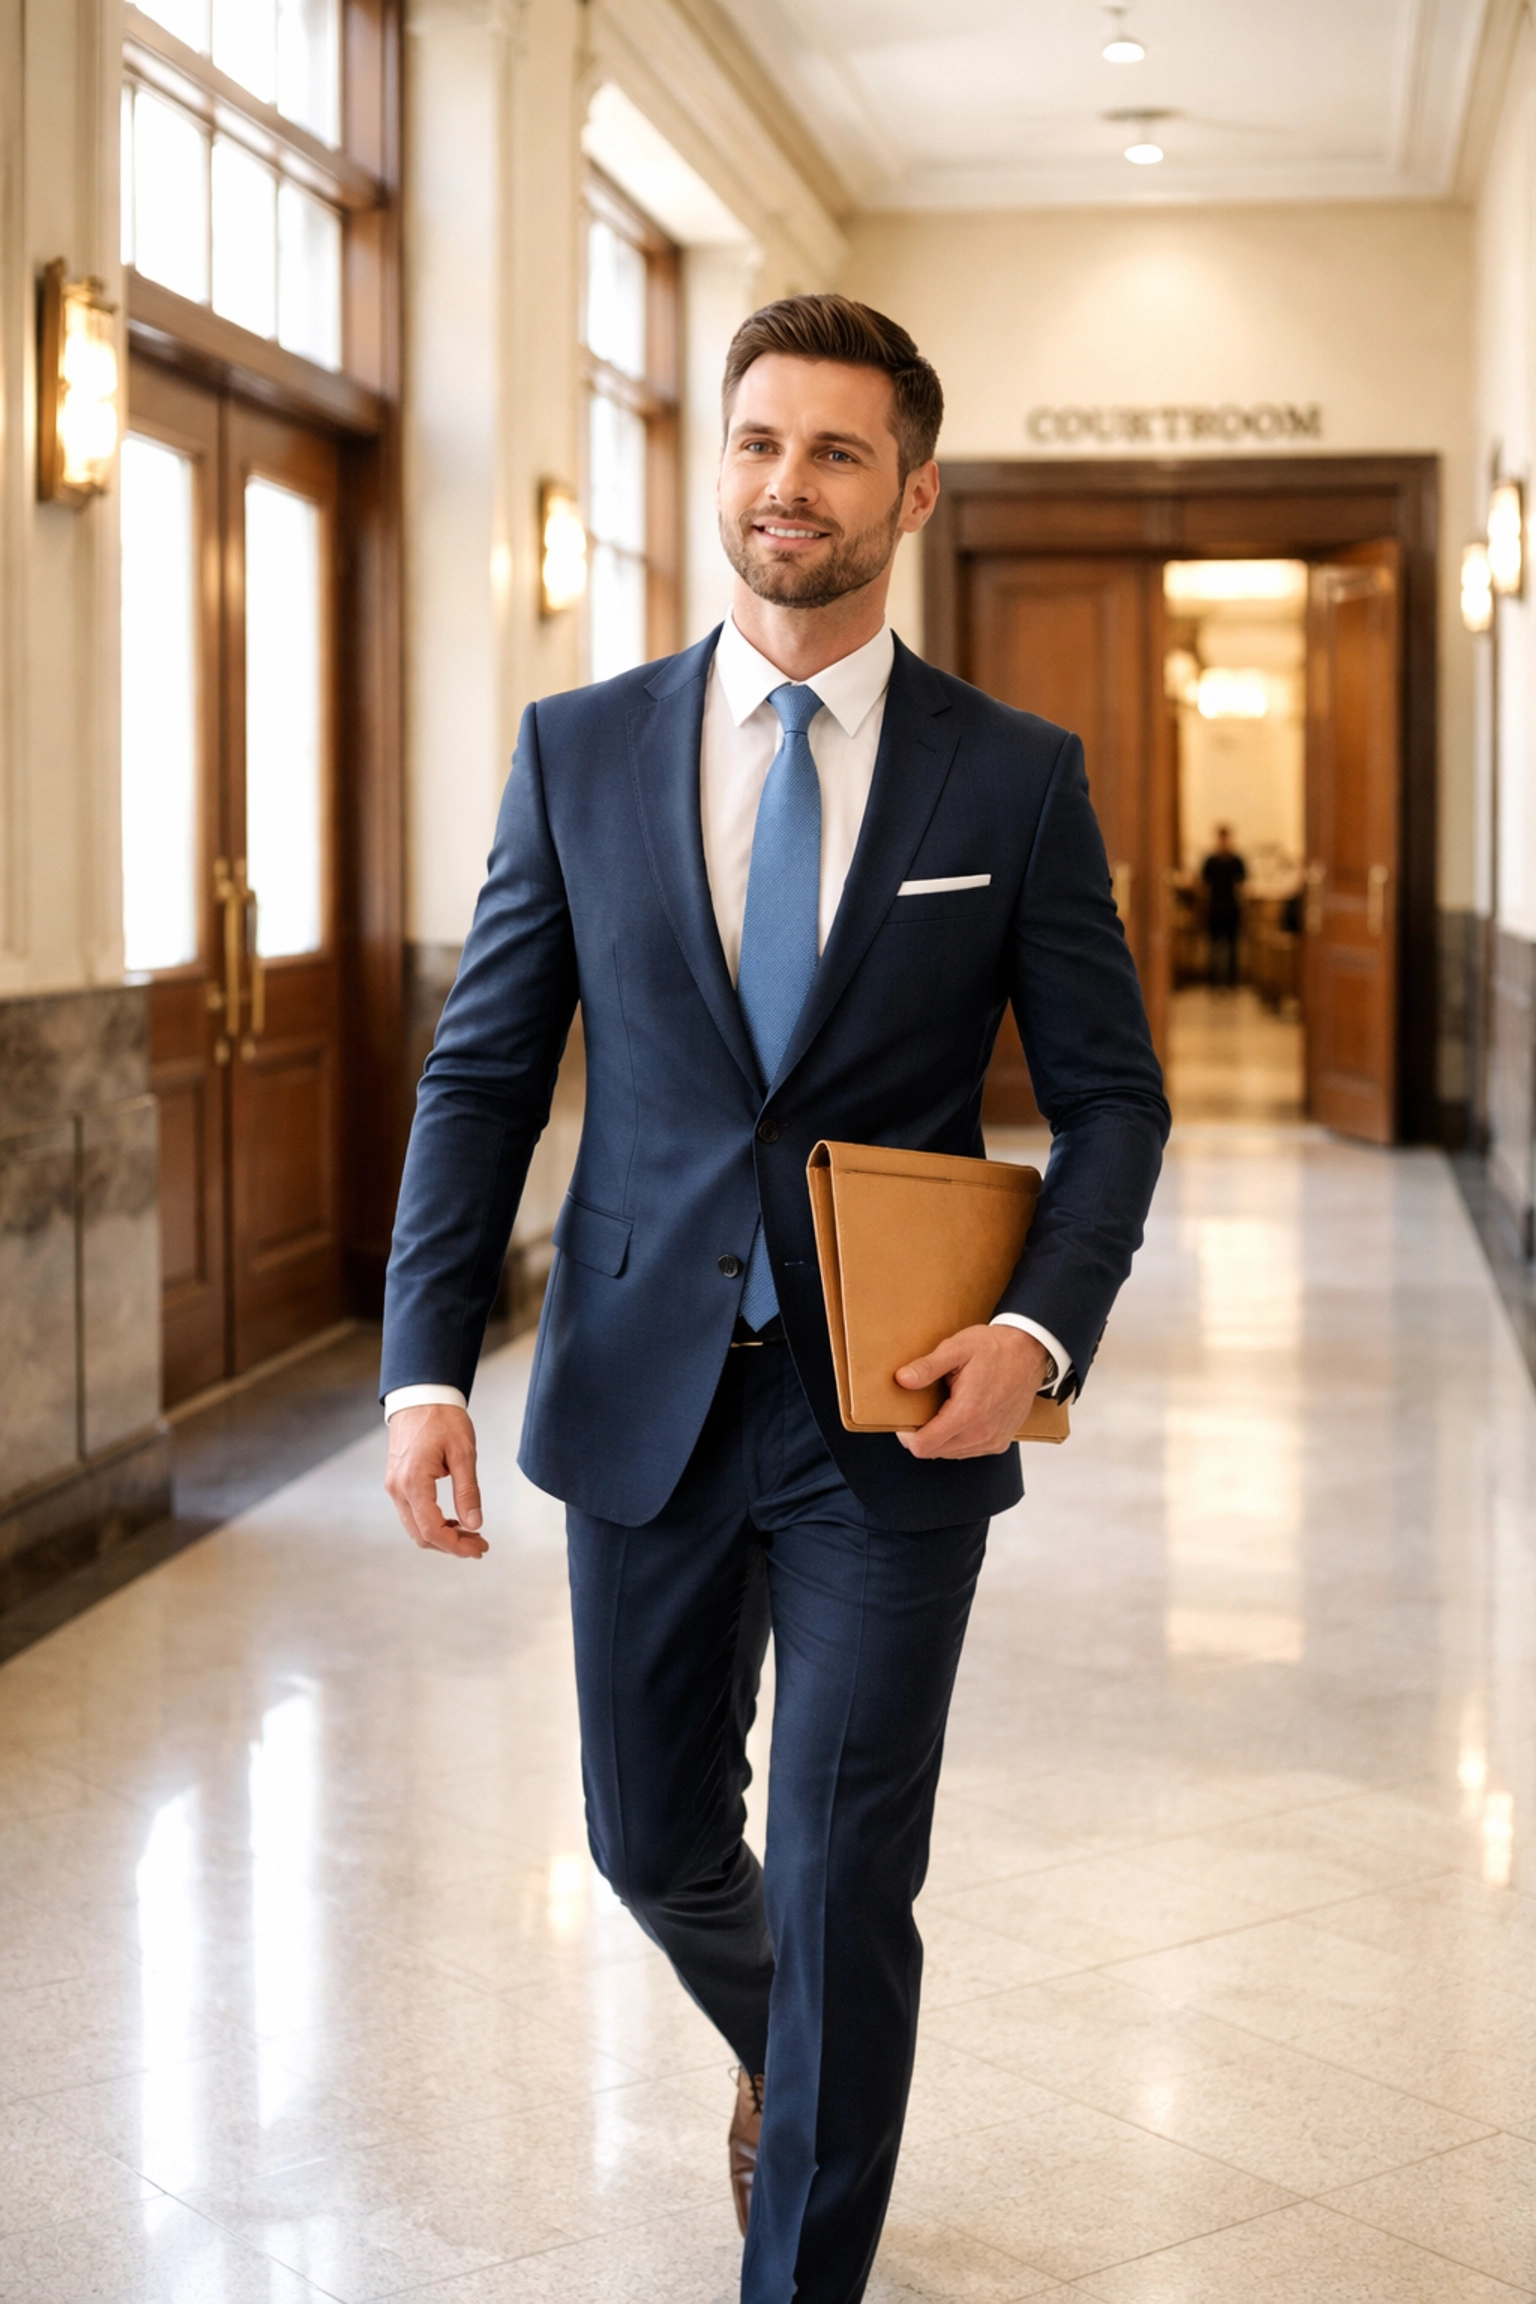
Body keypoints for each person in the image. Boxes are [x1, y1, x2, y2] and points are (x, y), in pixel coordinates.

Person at [381, 294, 1168, 2304]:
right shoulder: (580, 751)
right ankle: (790, 2054)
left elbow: (1111, 1098)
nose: (781, 486)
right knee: (651, 1844)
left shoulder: (1013, 778)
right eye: (751, 443)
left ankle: (801, 2259)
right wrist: (418, 1368)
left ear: (911, 488)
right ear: (710, 465)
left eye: (830, 452)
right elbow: (483, 1070)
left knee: (842, 1879)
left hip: (891, 1407)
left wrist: (1042, 1329)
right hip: (638, 1384)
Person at [1202, 822, 1247, 986]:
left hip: (1231, 907)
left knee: (1232, 947)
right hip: (1215, 907)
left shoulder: (1236, 860)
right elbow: (1204, 883)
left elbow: (1242, 882)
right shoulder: (1211, 860)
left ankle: (1231, 981)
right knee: (1213, 946)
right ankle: (1213, 979)